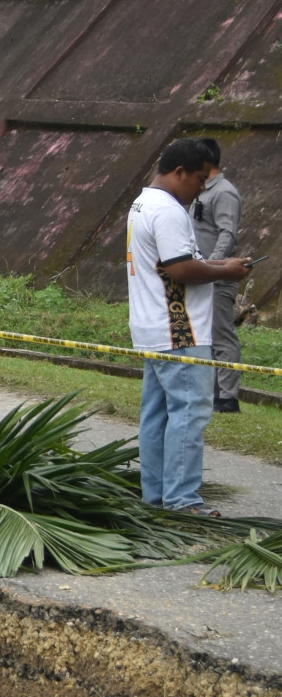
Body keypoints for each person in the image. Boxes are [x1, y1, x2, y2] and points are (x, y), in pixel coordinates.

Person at [126, 139, 252, 514]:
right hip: (180, 331)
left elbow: (174, 261)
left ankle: (157, 496)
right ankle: (182, 501)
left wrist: (220, 265)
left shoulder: (143, 202)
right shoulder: (166, 210)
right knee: (190, 412)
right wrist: (225, 271)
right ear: (178, 172)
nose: (201, 189)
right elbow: (180, 269)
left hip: (152, 327)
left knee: (158, 414)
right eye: (198, 179)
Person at [193, 138, 244, 413]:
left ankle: (228, 396)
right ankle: (213, 392)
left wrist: (211, 267)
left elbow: (228, 233)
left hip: (217, 275)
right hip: (202, 275)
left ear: (205, 161)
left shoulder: (224, 192)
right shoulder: (201, 190)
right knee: (206, 335)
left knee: (221, 334)